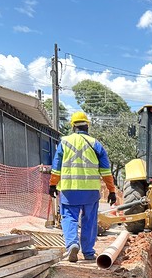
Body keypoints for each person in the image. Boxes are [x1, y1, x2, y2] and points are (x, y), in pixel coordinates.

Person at [49, 111, 117, 263]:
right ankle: (88, 252)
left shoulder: (64, 142)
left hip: (69, 190)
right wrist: (112, 191)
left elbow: (56, 168)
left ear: (73, 126)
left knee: (69, 217)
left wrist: (52, 185)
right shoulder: (96, 144)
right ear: (87, 126)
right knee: (90, 221)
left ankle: (72, 244)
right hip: (90, 191)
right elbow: (106, 171)